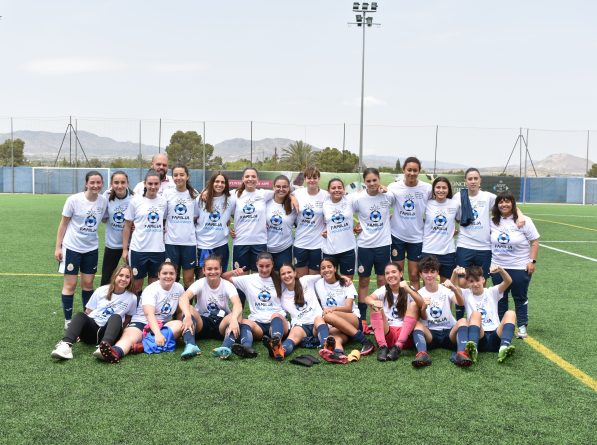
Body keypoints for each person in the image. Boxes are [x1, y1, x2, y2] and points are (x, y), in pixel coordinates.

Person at [453, 168, 525, 318]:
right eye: (470, 179)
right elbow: (451, 213)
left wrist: (520, 215)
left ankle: (480, 316)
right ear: (465, 181)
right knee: (462, 282)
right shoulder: (459, 196)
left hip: (484, 248)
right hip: (464, 246)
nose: (473, 181)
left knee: (481, 283)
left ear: (480, 180)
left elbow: (508, 202)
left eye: (475, 178)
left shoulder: (487, 197)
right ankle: (461, 318)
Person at [99, 262, 185, 363]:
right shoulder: (151, 289)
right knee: (129, 338)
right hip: (142, 322)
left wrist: (179, 333)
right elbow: (149, 314)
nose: (168, 276)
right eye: (164, 273)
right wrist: (157, 333)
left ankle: (142, 346)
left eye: (171, 273)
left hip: (163, 324)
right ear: (158, 275)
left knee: (179, 325)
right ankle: (115, 352)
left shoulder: (179, 288)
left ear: (176, 275)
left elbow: (180, 312)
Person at [55, 170, 108, 329]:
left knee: (88, 284)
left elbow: (106, 219)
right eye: (92, 182)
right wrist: (58, 246)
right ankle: (68, 321)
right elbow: (63, 223)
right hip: (72, 247)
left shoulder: (103, 201)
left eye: (98, 183)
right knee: (70, 284)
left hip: (91, 248)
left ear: (102, 184)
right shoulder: (73, 200)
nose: (95, 185)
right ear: (86, 183)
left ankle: (88, 318)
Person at [51, 265, 137, 360]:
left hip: (110, 333)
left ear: (130, 280)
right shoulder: (102, 290)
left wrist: (122, 335)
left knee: (116, 317)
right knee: (80, 315)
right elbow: (88, 311)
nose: (124, 279)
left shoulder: (132, 298)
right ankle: (65, 346)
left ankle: (104, 348)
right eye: (121, 275)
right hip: (91, 331)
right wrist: (79, 330)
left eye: (127, 277)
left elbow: (128, 318)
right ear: (114, 276)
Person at [490, 192, 540, 339]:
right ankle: (501, 325)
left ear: (513, 203)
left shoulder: (524, 221)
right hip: (497, 267)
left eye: (507, 202)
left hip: (519, 267)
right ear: (497, 205)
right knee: (500, 297)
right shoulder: (492, 221)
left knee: (520, 297)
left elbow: (535, 242)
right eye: (501, 202)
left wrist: (532, 261)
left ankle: (522, 326)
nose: (504, 205)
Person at [351, 167, 396, 330]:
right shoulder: (358, 198)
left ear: (379, 180)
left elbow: (399, 208)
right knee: (363, 281)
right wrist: (355, 225)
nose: (371, 183)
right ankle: (362, 319)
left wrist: (387, 189)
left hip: (383, 244)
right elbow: (346, 211)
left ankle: (383, 315)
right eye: (368, 181)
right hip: (364, 245)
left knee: (382, 281)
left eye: (374, 180)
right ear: (364, 182)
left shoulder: (388, 196)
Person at [410, 256, 472, 368]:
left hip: (449, 333)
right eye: (425, 272)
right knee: (417, 324)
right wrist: (423, 307)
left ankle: (461, 353)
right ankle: (422, 354)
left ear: (437, 273)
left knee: (463, 320)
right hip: (430, 335)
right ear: (420, 275)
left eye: (432, 271)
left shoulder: (445, 289)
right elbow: (423, 317)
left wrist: (454, 288)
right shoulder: (419, 293)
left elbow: (461, 303)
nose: (429, 275)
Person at [177, 255, 243, 360]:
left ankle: (225, 347)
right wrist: (188, 316)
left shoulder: (227, 285)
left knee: (237, 315)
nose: (213, 272)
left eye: (216, 268)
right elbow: (183, 298)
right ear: (203, 270)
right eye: (209, 269)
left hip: (221, 325)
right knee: (188, 308)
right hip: (202, 323)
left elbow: (237, 303)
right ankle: (190, 345)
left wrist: (234, 319)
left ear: (221, 270)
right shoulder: (199, 283)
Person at [224, 252, 288, 359]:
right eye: (261, 266)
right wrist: (234, 272)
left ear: (272, 264)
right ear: (256, 265)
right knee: (244, 322)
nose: (264, 269)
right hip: (258, 324)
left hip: (278, 323)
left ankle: (275, 342)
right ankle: (246, 348)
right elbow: (223, 277)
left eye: (267, 266)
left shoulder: (280, 278)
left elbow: (297, 281)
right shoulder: (249, 279)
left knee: (275, 315)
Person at [315, 257, 375, 361]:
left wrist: (333, 309)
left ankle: (365, 342)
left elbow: (348, 308)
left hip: (352, 319)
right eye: (323, 268)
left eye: (329, 267)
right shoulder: (318, 283)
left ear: (335, 269)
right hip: (335, 324)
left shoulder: (346, 283)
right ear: (320, 271)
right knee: (333, 337)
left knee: (327, 315)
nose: (326, 270)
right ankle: (338, 354)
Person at [364, 262, 425, 362]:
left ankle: (398, 347)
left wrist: (408, 289)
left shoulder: (408, 288)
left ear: (401, 274)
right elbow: (367, 298)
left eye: (393, 272)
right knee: (374, 306)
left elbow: (421, 304)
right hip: (387, 333)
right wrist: (373, 302)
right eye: (387, 273)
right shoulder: (384, 289)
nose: (390, 275)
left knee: (414, 304)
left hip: (405, 334)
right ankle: (382, 347)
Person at [267, 263, 330, 361]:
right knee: (293, 335)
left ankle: (326, 347)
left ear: (295, 273)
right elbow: (281, 315)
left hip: (316, 324)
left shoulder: (306, 280)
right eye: (283, 274)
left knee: (319, 319)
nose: (287, 276)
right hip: (301, 326)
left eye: (289, 272)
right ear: (280, 277)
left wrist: (343, 278)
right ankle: (280, 351)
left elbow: (326, 275)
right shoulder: (282, 296)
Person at [388, 156, 432, 289]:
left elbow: (437, 206)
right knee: (397, 275)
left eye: (415, 170)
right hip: (397, 236)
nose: (412, 173)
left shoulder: (427, 188)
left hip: (417, 237)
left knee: (414, 275)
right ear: (403, 170)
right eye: (409, 170)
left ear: (419, 171)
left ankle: (415, 306)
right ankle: (396, 305)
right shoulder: (393, 187)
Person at [122, 170, 168, 293]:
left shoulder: (163, 202)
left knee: (154, 286)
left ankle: (149, 311)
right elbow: (127, 226)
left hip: (157, 250)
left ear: (160, 184)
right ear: (145, 184)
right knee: (136, 285)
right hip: (138, 249)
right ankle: (135, 311)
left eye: (156, 184)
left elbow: (163, 222)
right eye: (150, 184)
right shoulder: (135, 201)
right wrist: (125, 249)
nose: (153, 187)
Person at [460, 265, 517, 364]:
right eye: (471, 281)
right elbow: (453, 287)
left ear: (483, 279)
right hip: (479, 336)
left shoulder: (491, 291)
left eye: (477, 280)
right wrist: (455, 274)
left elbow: (508, 281)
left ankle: (503, 348)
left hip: (496, 336)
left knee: (511, 313)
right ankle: (474, 350)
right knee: (476, 314)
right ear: (467, 283)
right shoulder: (465, 293)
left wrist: (501, 270)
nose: (475, 284)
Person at [229, 167, 274, 273]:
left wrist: (293, 198)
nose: (250, 179)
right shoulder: (234, 194)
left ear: (257, 179)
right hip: (240, 242)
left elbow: (283, 192)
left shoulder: (264, 194)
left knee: (258, 276)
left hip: (259, 242)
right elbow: (218, 200)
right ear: (243, 179)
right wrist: (228, 228)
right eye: (247, 176)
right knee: (240, 276)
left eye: (253, 176)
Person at [164, 164, 199, 289]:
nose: (178, 177)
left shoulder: (194, 194)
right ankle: (173, 308)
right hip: (171, 242)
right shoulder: (167, 194)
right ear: (172, 177)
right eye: (175, 175)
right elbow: (163, 216)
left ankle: (187, 308)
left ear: (187, 176)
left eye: (181, 174)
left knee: (189, 280)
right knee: (171, 278)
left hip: (189, 243)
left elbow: (196, 217)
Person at [421, 177, 459, 282]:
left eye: (444, 188)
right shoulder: (427, 204)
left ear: (448, 190)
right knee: (428, 283)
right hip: (428, 250)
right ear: (433, 189)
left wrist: (456, 231)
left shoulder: (455, 204)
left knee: (446, 285)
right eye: (438, 187)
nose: (441, 190)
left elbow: (462, 221)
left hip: (448, 252)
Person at [292, 166, 328, 277]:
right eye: (309, 178)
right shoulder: (297, 193)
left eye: (315, 177)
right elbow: (284, 194)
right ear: (305, 179)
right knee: (301, 280)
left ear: (319, 179)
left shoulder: (326, 195)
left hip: (318, 245)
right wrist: (291, 197)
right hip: (300, 243)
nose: (312, 180)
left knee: (314, 279)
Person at [195, 171, 233, 273]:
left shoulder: (231, 199)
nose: (219, 184)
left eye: (222, 182)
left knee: (220, 275)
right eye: (217, 181)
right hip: (203, 244)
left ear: (226, 185)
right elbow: (194, 218)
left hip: (221, 245)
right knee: (202, 276)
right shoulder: (200, 199)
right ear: (211, 182)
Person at [101, 171, 133, 286]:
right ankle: (105, 302)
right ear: (111, 184)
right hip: (112, 244)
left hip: (131, 245)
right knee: (106, 278)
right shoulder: (106, 196)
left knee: (131, 279)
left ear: (127, 183)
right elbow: (103, 219)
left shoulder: (134, 198)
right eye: (116, 182)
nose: (119, 186)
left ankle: (130, 303)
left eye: (123, 182)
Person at [321, 178, 356, 278]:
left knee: (347, 282)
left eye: (339, 187)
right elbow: (320, 221)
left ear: (344, 190)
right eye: (333, 188)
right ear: (328, 191)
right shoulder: (324, 204)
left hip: (348, 249)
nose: (337, 190)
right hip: (329, 250)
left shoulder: (350, 200)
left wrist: (362, 224)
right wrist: (323, 231)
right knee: (329, 281)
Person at [266, 175, 297, 270]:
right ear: (273, 187)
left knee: (283, 278)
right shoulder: (265, 202)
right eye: (278, 186)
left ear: (289, 188)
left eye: (284, 187)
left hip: (285, 249)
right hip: (265, 249)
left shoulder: (294, 205)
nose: (281, 189)